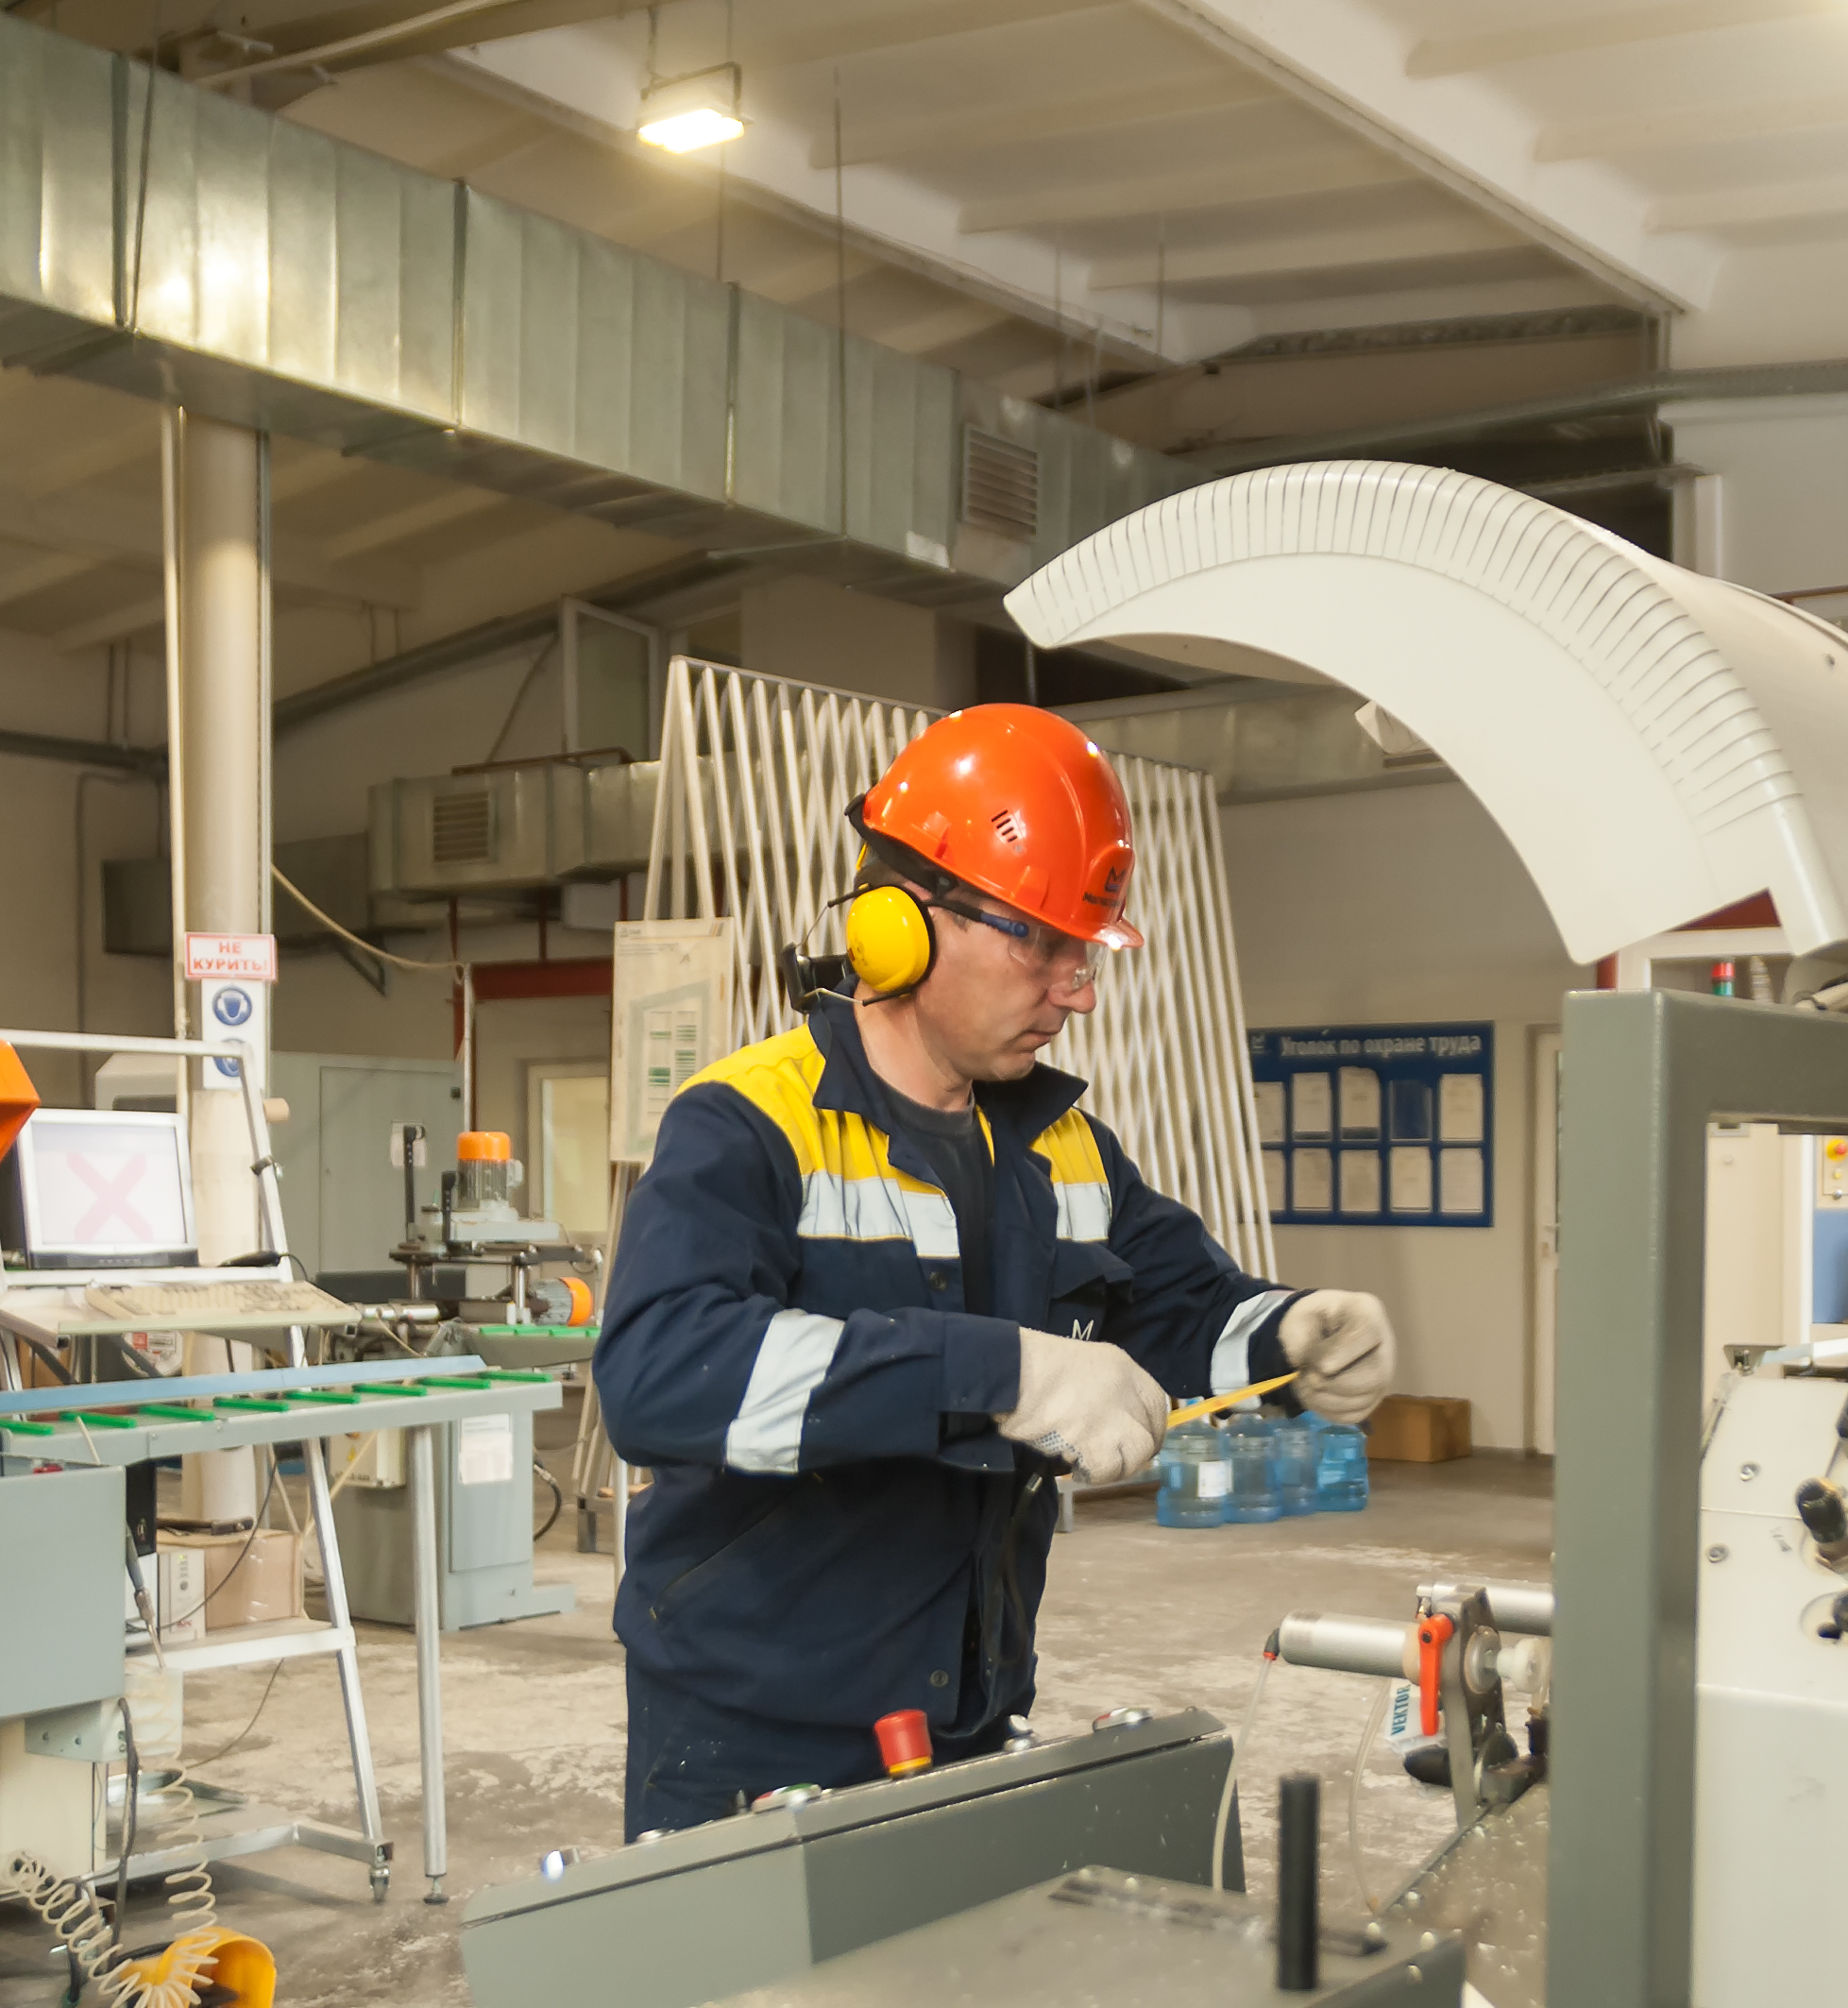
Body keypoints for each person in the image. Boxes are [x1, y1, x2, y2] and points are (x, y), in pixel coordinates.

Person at [592, 704, 1394, 1837]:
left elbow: (1180, 1307)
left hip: (967, 1714)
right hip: (751, 1731)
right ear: (895, 931)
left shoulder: (1057, 1145)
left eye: (1087, 951)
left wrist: (1295, 1329)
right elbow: (657, 1379)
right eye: (1041, 943)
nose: (1077, 991)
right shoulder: (746, 1126)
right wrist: (997, 1372)